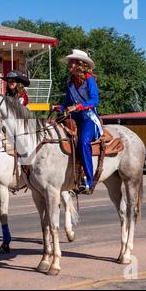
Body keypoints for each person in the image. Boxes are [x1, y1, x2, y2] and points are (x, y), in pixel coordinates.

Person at [55, 49, 104, 194]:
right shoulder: (70, 82)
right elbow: (67, 103)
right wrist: (58, 107)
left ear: (79, 64)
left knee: (83, 141)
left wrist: (77, 106)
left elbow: (95, 100)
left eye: (72, 62)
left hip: (88, 118)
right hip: (74, 117)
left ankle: (89, 180)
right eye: (69, 62)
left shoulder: (89, 79)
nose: (69, 65)